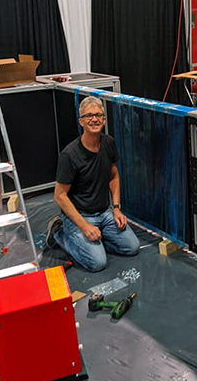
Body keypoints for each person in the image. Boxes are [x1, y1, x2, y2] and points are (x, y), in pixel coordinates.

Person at [45, 96, 140, 272]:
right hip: (80, 215)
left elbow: (114, 176)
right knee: (97, 263)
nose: (94, 119)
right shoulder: (70, 155)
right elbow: (59, 196)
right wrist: (84, 226)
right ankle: (59, 232)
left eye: (98, 115)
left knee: (132, 247)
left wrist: (117, 208)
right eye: (89, 116)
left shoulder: (109, 143)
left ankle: (94, 243)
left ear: (104, 119)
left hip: (104, 212)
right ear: (81, 121)